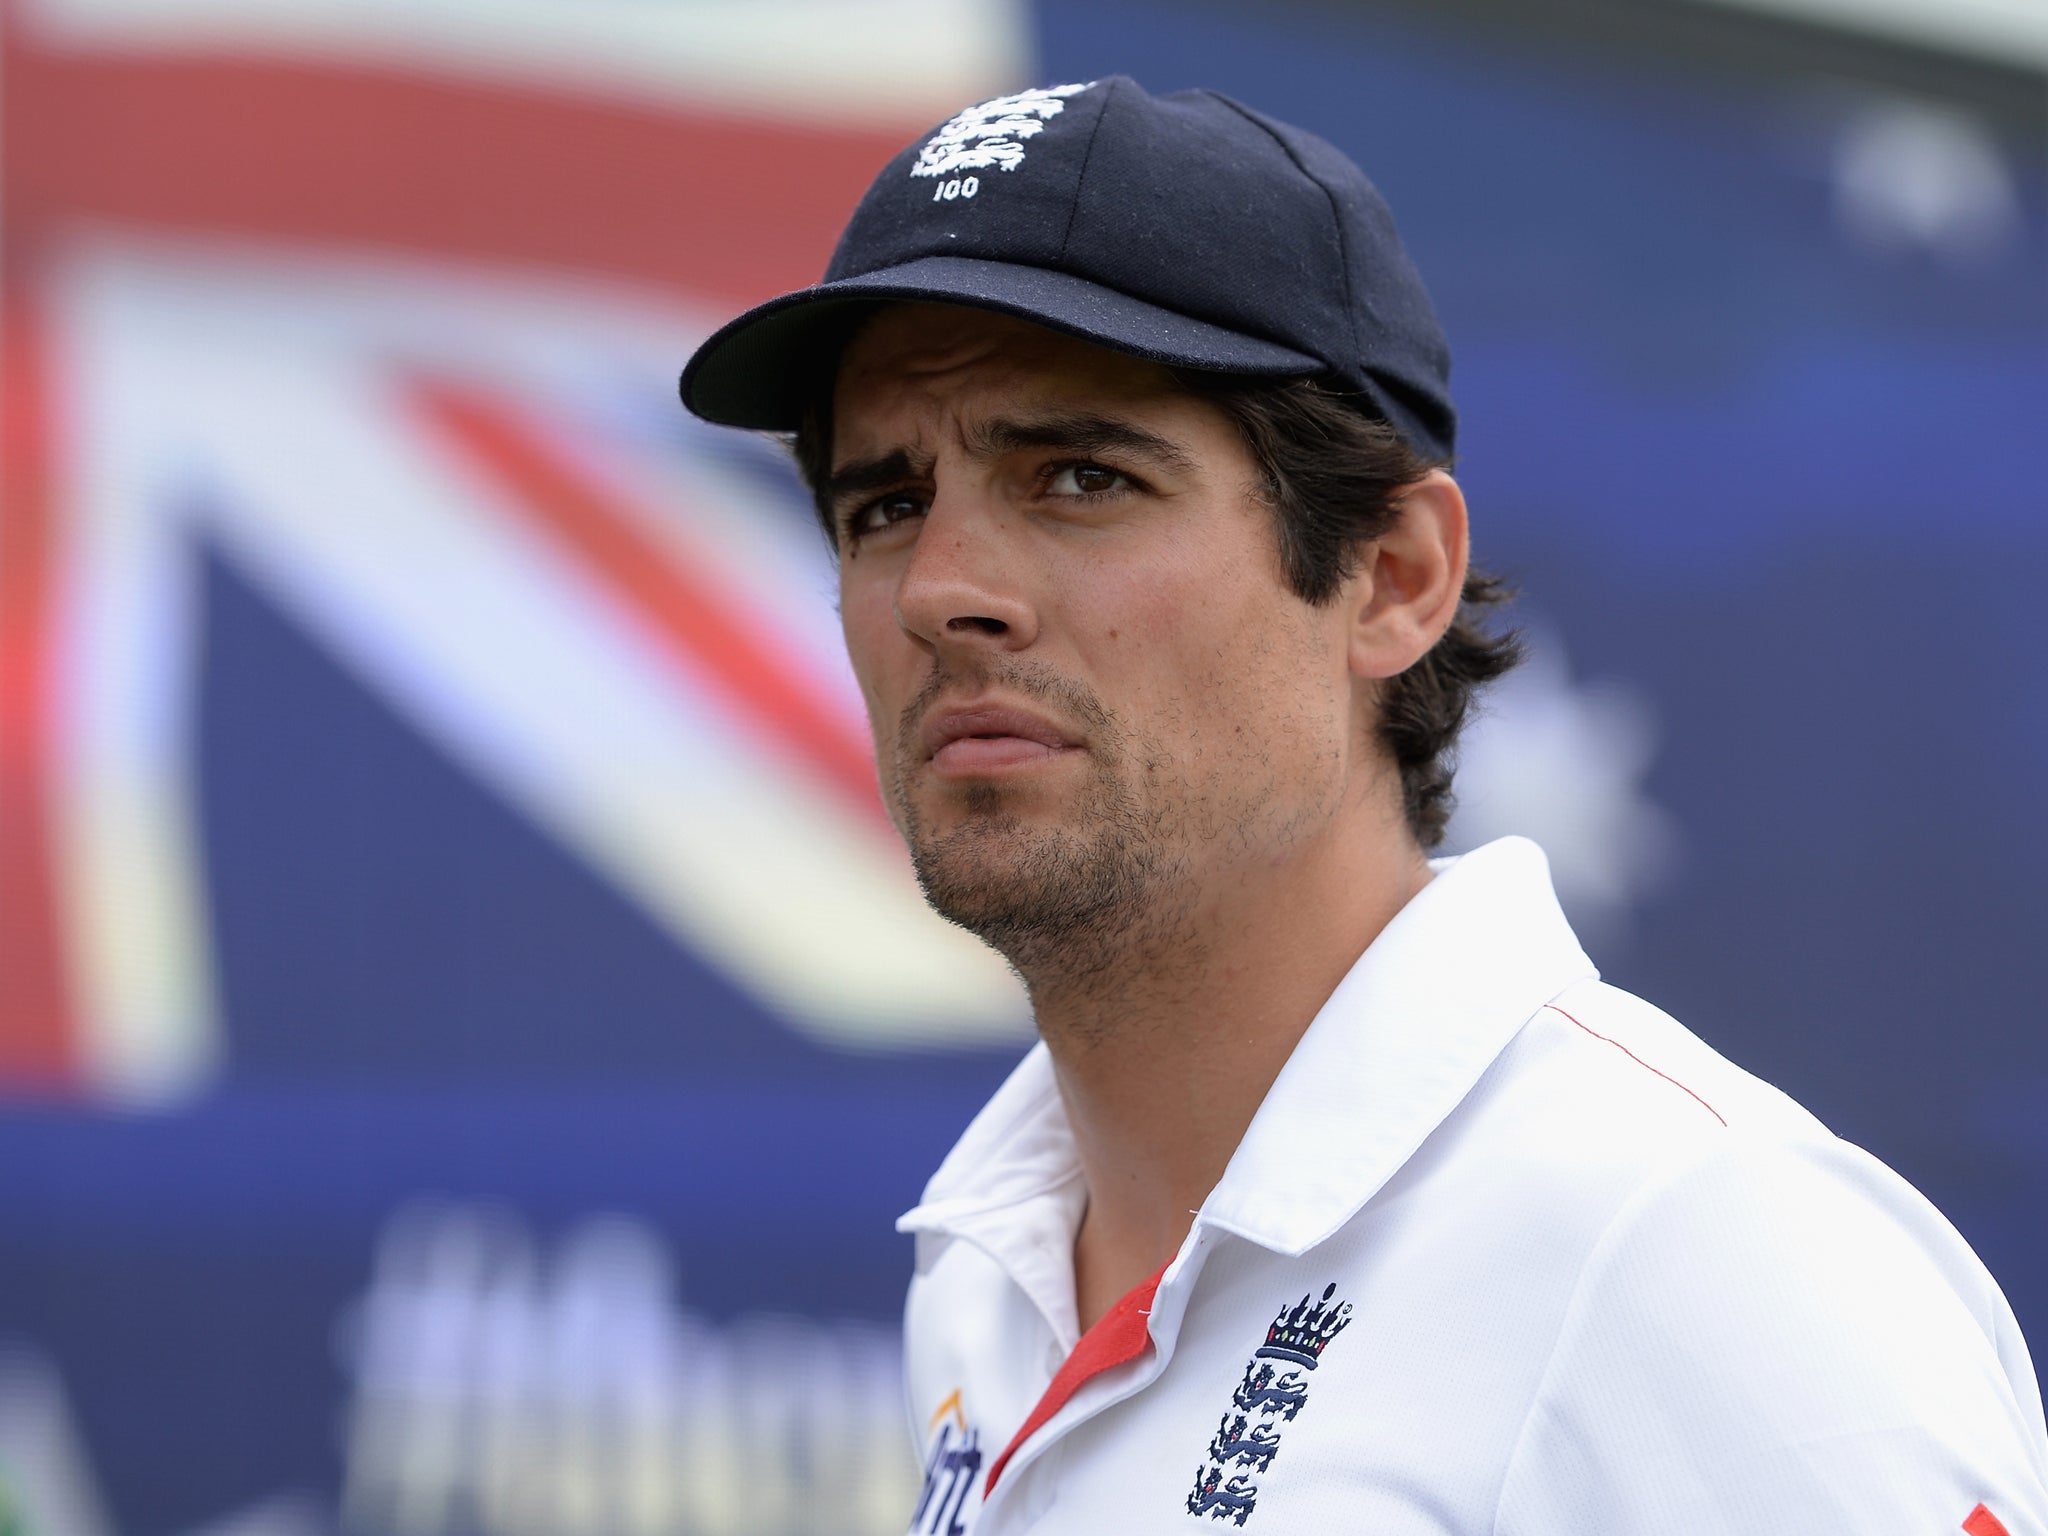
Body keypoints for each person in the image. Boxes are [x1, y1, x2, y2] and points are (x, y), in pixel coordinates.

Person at [680, 77, 2047, 1534]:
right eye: (883, 504)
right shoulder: (986, 1270)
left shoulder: (1699, 1253)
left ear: (1393, 578)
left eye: (1079, 475)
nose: (945, 590)